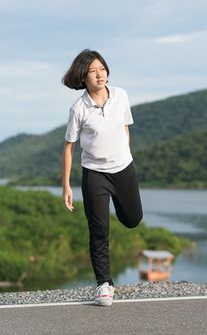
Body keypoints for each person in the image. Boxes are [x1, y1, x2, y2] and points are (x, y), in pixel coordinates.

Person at [61, 49, 143, 306]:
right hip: (94, 173)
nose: (99, 74)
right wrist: (66, 185)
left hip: (123, 169)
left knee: (132, 219)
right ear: (83, 77)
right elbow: (69, 147)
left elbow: (125, 128)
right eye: (93, 71)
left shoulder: (121, 95)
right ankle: (104, 285)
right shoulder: (78, 108)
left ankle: (118, 204)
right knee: (98, 230)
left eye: (102, 68)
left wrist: (124, 153)